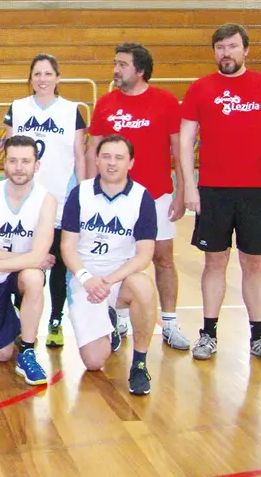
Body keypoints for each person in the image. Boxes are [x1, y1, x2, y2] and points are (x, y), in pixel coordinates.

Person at [180, 23, 261, 364]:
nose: (225, 53)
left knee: (254, 263)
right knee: (214, 262)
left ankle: (259, 337)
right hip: (212, 191)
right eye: (220, 47)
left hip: (256, 192)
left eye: (232, 46)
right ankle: (208, 335)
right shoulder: (200, 88)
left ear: (246, 50)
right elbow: (185, 141)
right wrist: (189, 185)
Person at [88, 43, 191, 350]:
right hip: (113, 198)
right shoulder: (105, 103)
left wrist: (182, 191)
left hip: (157, 196)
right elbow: (94, 149)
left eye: (122, 64)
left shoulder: (166, 102)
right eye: (115, 63)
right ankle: (118, 320)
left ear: (140, 70)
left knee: (163, 259)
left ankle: (170, 323)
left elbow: (179, 151)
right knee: (117, 259)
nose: (115, 69)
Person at [61, 135, 158, 396]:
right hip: (85, 280)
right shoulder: (80, 193)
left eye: (119, 157)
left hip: (119, 279)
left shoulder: (142, 198)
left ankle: (139, 364)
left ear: (131, 163)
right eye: (106, 156)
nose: (112, 163)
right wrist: (86, 278)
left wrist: (110, 280)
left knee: (143, 284)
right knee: (94, 362)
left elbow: (144, 255)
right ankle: (109, 323)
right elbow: (67, 247)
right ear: (96, 159)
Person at [3, 53, 87, 348]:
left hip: (61, 198)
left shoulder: (71, 110)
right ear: (30, 78)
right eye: (36, 74)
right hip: (25, 200)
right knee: (23, 260)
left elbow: (79, 156)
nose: (42, 79)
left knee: (60, 263)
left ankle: (55, 320)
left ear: (57, 78)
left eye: (47, 74)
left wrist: (83, 192)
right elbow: (10, 152)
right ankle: (18, 316)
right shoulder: (17, 108)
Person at [0, 135, 56, 385]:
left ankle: (27, 350)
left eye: (26, 161)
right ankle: (19, 318)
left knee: (34, 278)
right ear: (4, 164)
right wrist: (29, 258)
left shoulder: (46, 200)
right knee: (2, 355)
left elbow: (36, 260)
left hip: (14, 271)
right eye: (13, 160)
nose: (19, 167)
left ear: (36, 166)